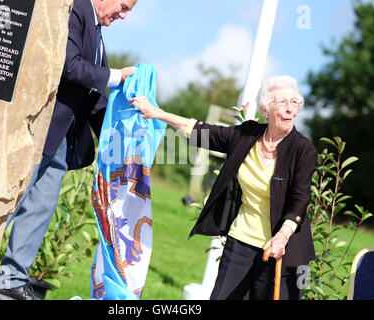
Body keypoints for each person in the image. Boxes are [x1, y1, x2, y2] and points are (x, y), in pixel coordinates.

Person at [0, 0, 138, 300]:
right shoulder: (76, 9)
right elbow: (67, 64)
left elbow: (92, 95)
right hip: (37, 128)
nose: (121, 15)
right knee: (8, 204)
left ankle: (10, 279)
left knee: (40, 209)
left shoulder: (96, 30)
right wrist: (116, 76)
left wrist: (122, 137)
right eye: (122, 6)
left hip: (62, 140)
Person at [129, 75, 317, 300]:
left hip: (285, 251)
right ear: (265, 109)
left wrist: (282, 237)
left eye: (294, 102)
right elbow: (203, 132)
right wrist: (157, 113)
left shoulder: (303, 150)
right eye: (282, 102)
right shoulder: (247, 134)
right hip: (242, 242)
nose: (290, 109)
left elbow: (300, 199)